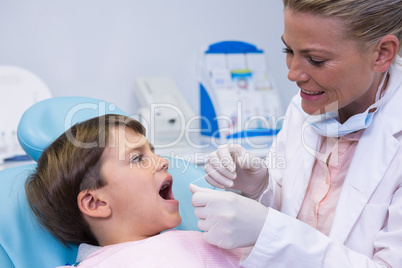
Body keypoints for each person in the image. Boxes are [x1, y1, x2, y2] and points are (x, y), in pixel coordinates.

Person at [190, 0, 402, 267]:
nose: (292, 74)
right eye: (288, 50)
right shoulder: (305, 106)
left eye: (316, 60)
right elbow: (295, 210)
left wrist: (269, 232)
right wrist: (259, 187)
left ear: (382, 54)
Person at [25, 114, 242, 267]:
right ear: (96, 203)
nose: (163, 161)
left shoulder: (210, 244)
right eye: (138, 158)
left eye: (153, 152)